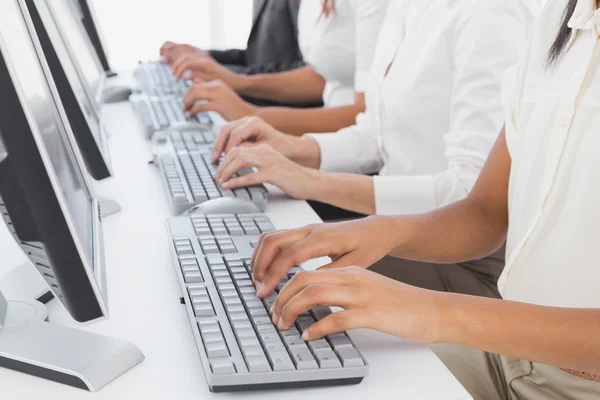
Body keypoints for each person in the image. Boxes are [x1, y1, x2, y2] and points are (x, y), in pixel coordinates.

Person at [247, 0, 600, 398]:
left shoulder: (494, 15)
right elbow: (484, 211)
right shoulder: (560, 18)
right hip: (509, 354)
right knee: (297, 362)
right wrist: (379, 231)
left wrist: (428, 311)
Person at [206, 0, 537, 298]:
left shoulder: (493, 14)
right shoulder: (406, 7)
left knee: (272, 277)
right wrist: (292, 148)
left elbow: (468, 196)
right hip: (393, 230)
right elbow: (376, 132)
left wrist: (310, 180)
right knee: (249, 257)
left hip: (463, 260)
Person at [174, 0, 390, 135]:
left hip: (355, 148)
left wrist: (250, 112)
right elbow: (323, 73)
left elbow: (368, 116)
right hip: (331, 140)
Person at [160, 0, 311, 107]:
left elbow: (311, 75)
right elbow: (258, 58)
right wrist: (209, 57)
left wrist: (231, 78)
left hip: (284, 118)